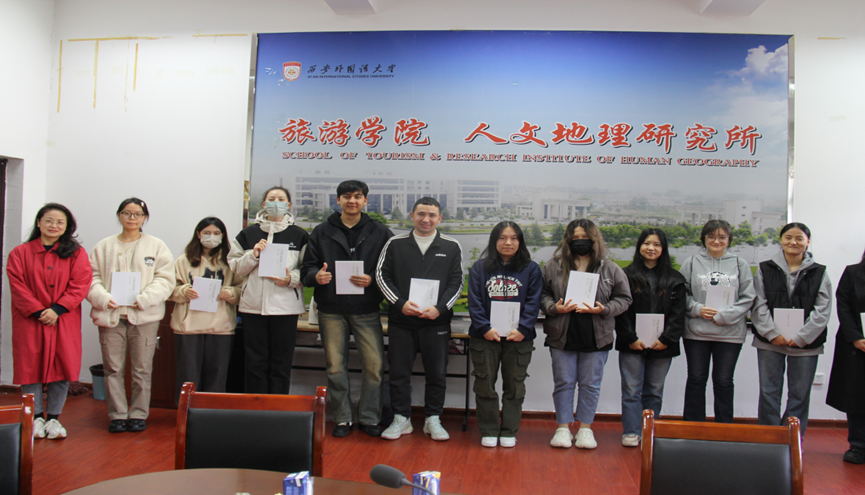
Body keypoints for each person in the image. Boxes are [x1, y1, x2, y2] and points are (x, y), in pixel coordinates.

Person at [301, 180, 393, 438]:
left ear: (365, 201)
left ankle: (370, 417)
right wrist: (316, 277)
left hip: (367, 309)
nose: (352, 200)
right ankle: (342, 418)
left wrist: (372, 279)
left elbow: (390, 269)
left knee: (374, 365)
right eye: (347, 196)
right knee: (334, 366)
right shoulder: (321, 231)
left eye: (357, 196)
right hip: (331, 310)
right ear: (338, 200)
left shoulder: (380, 232)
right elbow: (307, 268)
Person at [375, 197, 463, 441]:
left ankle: (432, 419)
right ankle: (401, 419)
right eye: (421, 214)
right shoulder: (395, 243)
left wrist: (440, 308)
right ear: (412, 215)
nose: (426, 219)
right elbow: (382, 276)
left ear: (439, 218)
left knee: (437, 373)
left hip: (436, 322)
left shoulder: (451, 246)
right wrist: (399, 303)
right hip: (401, 321)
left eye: (432, 215)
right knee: (398, 372)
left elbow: (457, 282)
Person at [540, 219, 631, 449]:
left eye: (585, 238)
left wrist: (605, 309)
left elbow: (624, 298)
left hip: (597, 335)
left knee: (591, 384)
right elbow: (541, 294)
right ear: (568, 240)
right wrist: (554, 307)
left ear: (594, 239)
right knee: (564, 382)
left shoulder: (609, 268)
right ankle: (562, 427)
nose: (580, 242)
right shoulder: (554, 265)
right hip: (562, 335)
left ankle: (585, 428)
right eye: (575, 238)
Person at [87, 198, 175, 433]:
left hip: (144, 316)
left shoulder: (156, 246)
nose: (132, 218)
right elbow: (90, 277)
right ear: (119, 215)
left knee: (142, 369)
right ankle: (117, 414)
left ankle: (138, 413)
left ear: (145, 218)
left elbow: (166, 279)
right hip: (111, 316)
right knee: (113, 368)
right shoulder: (104, 246)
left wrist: (145, 298)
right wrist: (103, 298)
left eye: (137, 214)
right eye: (127, 213)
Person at [7, 203, 92, 439]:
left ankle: (54, 418)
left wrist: (56, 310)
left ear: (67, 227)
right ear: (38, 223)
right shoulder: (19, 253)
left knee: (62, 366)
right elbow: (17, 286)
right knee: (29, 368)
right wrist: (39, 311)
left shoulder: (76, 253)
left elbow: (80, 284)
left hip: (63, 319)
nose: (54, 226)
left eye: (60, 222)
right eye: (49, 220)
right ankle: (35, 418)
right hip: (30, 320)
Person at [751, 223, 831, 435]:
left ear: (808, 242)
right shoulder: (765, 269)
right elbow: (758, 304)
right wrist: (772, 333)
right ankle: (768, 437)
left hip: (806, 345)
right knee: (769, 392)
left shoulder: (819, 272)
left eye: (799, 238)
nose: (793, 242)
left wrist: (802, 337)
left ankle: (792, 439)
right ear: (781, 240)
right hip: (770, 342)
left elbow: (823, 310)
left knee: (799, 394)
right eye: (788, 237)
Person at [467, 221, 542, 448]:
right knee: (485, 385)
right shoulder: (480, 268)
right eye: (502, 238)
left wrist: (523, 329)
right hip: (484, 338)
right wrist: (484, 328)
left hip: (518, 339)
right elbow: (474, 301)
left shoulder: (531, 269)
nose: (508, 242)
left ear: (520, 242)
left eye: (513, 238)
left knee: (515, 386)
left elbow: (534, 301)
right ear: (494, 241)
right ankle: (489, 430)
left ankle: (509, 430)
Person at [228, 186, 308, 394]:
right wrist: (253, 255)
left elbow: (307, 269)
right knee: (255, 362)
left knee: (281, 363)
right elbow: (235, 267)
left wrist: (291, 279)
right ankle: (256, 407)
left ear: (289, 204)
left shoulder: (299, 235)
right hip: (253, 308)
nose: (276, 203)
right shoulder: (248, 234)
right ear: (264, 204)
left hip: (286, 308)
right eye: (272, 199)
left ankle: (278, 406)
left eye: (281, 199)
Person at [615, 228, 686, 447]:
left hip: (663, 345)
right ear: (639, 247)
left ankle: (649, 432)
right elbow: (621, 311)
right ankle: (631, 431)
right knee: (631, 390)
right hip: (631, 343)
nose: (651, 248)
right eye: (646, 243)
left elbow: (678, 314)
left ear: (663, 249)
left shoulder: (675, 279)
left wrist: (666, 339)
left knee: (654, 391)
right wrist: (630, 337)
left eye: (656, 244)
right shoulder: (625, 275)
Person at [679, 219, 755, 423]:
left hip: (730, 333)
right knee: (696, 379)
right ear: (704, 238)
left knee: (723, 381)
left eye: (722, 237)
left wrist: (724, 316)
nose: (716, 241)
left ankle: (724, 428)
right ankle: (693, 427)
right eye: (711, 236)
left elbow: (748, 297)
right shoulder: (691, 263)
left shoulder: (740, 264)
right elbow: (680, 294)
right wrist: (697, 309)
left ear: (729, 239)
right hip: (696, 332)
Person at [169, 217, 242, 403]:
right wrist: (184, 291)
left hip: (221, 326)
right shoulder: (183, 260)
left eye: (216, 233)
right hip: (188, 326)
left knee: (217, 374)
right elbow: (169, 289)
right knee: (188, 375)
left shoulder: (230, 261)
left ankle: (212, 413)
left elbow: (243, 289)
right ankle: (186, 413)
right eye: (207, 233)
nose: (212, 237)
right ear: (198, 234)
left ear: (223, 236)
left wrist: (230, 293)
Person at [826, 249, 865, 464]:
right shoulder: (853, 272)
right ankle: (858, 445)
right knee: (857, 395)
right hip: (856, 345)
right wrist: (856, 337)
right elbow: (844, 305)